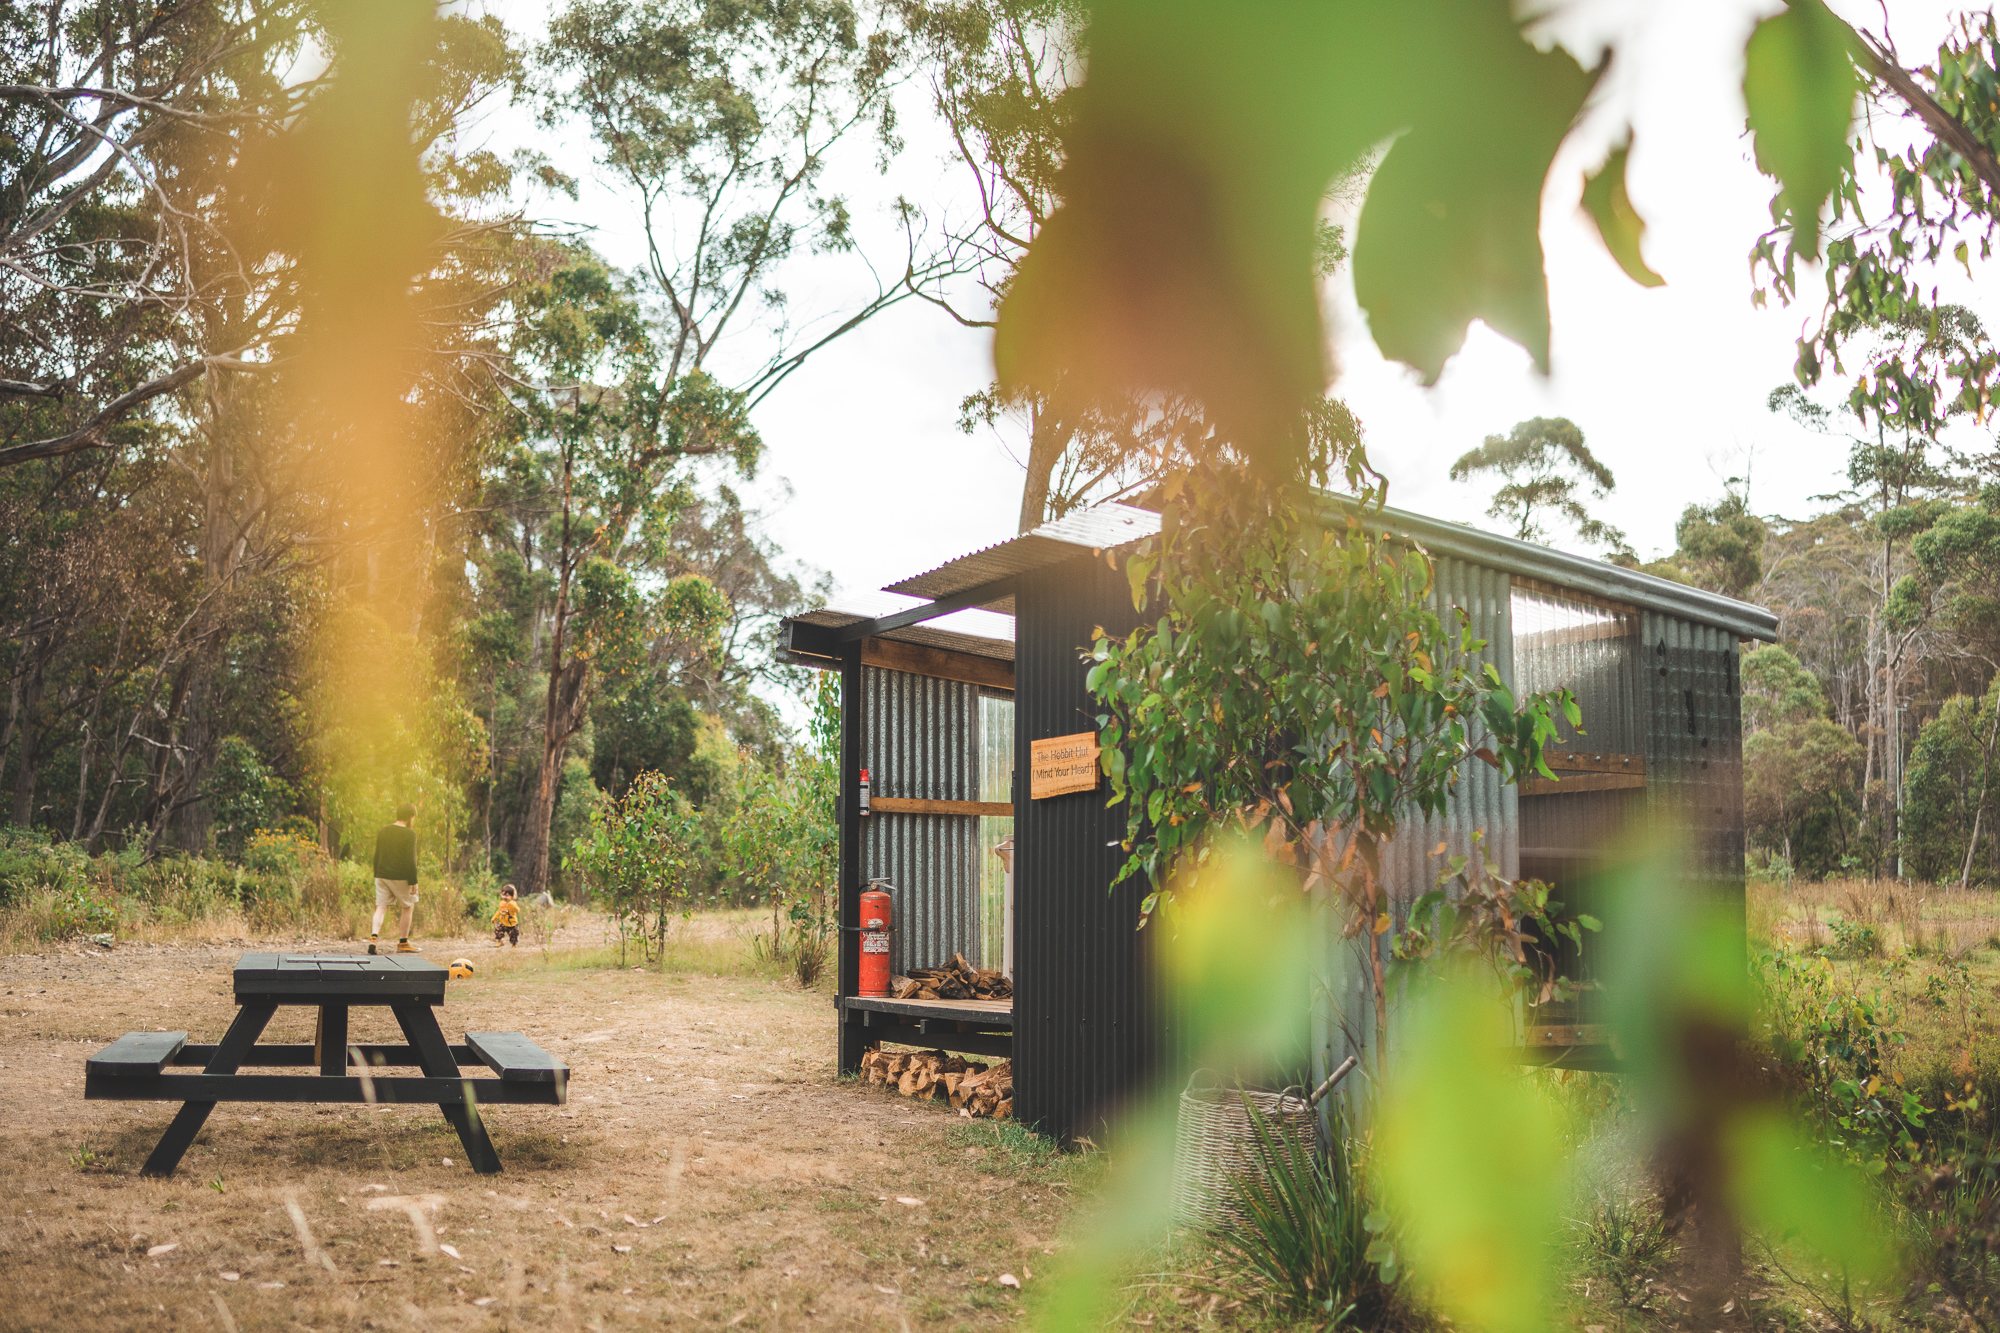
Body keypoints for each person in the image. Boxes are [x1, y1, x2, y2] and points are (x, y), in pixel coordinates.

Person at [369, 803, 420, 955]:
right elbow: (410, 860)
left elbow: (376, 855)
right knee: (408, 906)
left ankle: (373, 938)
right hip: (400, 876)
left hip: (381, 874)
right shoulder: (409, 834)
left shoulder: (383, 831)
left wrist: (377, 873)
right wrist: (413, 881)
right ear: (411, 817)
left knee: (381, 906)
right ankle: (403, 943)